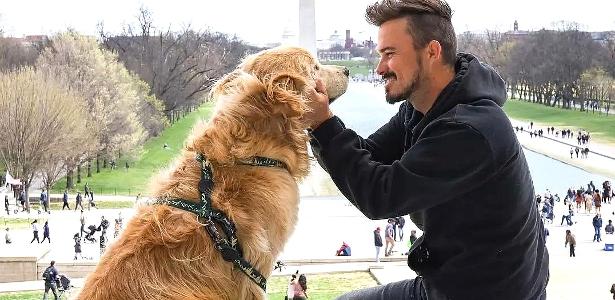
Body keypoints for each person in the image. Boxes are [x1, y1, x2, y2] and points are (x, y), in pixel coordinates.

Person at [304, 0, 548, 298]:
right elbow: (370, 155)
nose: (379, 68)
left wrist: (322, 124)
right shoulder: (420, 108)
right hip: (455, 281)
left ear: (432, 51)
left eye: (390, 54)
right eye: (380, 54)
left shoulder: (469, 130)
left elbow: (380, 195)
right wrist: (318, 124)